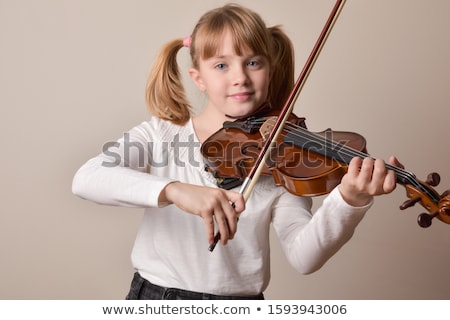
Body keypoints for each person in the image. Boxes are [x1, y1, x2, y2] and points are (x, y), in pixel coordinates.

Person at [72, 3, 400, 300]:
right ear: (198, 78)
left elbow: (305, 257)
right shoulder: (163, 134)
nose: (240, 77)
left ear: (270, 69)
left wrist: (349, 201)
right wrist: (175, 190)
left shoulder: (283, 157)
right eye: (221, 66)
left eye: (253, 62)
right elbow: (87, 178)